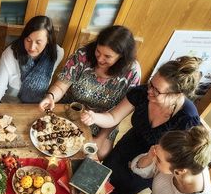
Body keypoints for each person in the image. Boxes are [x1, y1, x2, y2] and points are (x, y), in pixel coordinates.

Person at [81, 56, 202, 194]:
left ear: (177, 95)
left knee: (121, 191)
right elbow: (113, 117)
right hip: (127, 145)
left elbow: (180, 160)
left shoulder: (187, 120)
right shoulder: (143, 92)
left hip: (151, 162)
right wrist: (94, 117)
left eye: (157, 91)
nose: (149, 91)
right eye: (151, 84)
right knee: (103, 178)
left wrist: (151, 161)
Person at [39, 25, 141, 159]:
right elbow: (61, 86)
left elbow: (116, 116)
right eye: (98, 51)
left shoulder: (132, 72)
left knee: (101, 153)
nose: (100, 59)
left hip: (104, 121)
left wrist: (100, 138)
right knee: (49, 140)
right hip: (71, 111)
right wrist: (51, 96)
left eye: (107, 56)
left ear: (121, 57)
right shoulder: (82, 56)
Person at [0, 15, 64, 121]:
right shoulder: (11, 53)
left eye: (38, 42)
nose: (32, 47)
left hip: (38, 108)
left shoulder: (57, 54)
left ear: (48, 40)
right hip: (8, 107)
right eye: (28, 40)